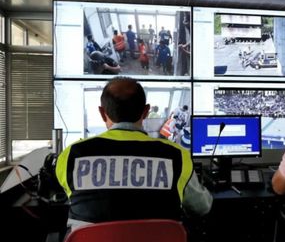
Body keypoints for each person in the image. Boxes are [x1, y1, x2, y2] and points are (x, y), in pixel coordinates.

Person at [55, 77, 212, 232]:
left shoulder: (71, 155)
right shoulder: (177, 155)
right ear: (145, 111)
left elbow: (67, 197)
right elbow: (201, 207)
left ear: (102, 113)